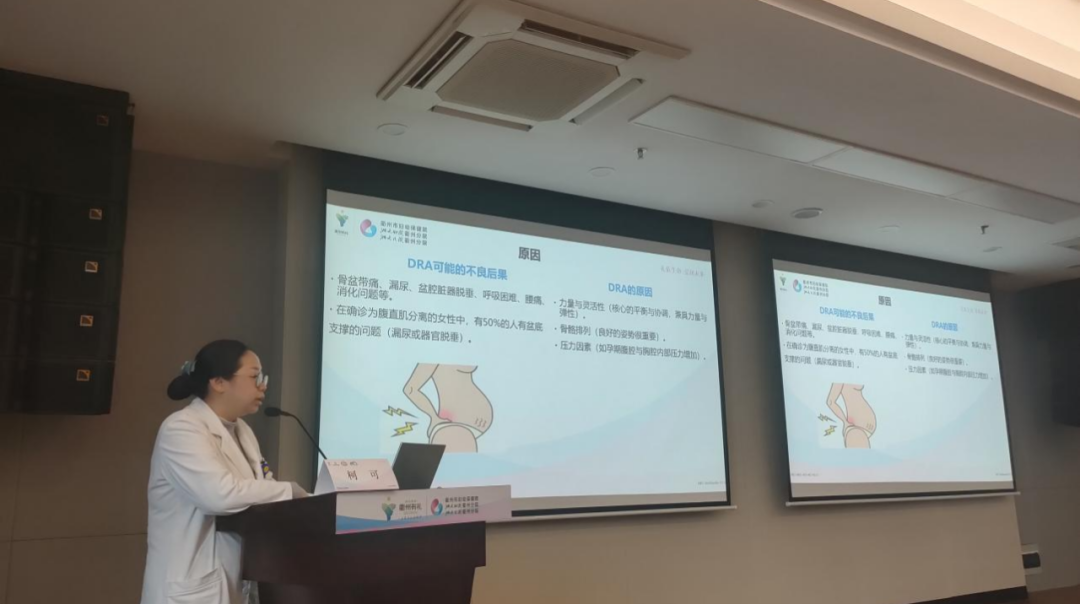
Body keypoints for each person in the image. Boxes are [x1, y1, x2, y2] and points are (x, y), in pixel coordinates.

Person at [141, 339, 307, 604]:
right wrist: (289, 491)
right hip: (191, 589)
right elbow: (218, 494)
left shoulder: (242, 430)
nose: (263, 386)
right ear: (218, 382)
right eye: (255, 377)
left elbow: (260, 489)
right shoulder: (181, 428)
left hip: (232, 581)